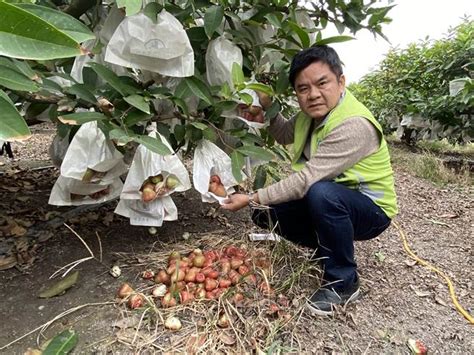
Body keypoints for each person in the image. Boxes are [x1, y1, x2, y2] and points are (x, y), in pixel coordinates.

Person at [221, 45, 398, 316]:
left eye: (322, 83)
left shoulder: (353, 124)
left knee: (320, 193)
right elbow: (282, 133)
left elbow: (307, 180)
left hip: (371, 210)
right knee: (264, 213)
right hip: (334, 198)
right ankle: (328, 246)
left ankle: (343, 282)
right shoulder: (310, 116)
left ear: (341, 81)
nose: (313, 94)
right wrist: (266, 111)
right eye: (303, 89)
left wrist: (251, 196)